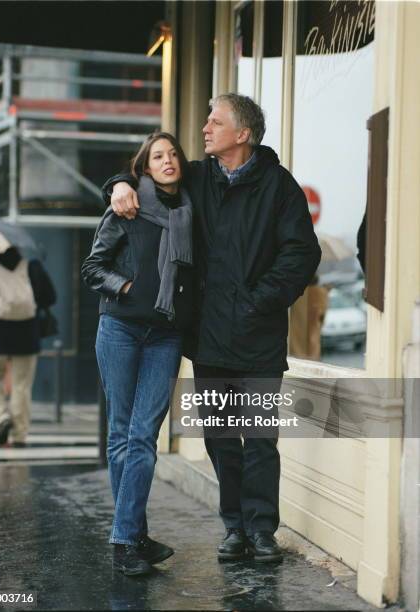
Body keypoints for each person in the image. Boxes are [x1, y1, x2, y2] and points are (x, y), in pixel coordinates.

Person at [103, 94, 321, 564]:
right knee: (222, 440)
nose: (204, 129)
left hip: (259, 337)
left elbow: (302, 254)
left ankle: (263, 531)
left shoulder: (280, 188)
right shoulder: (198, 178)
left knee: (260, 440)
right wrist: (119, 182)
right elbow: (149, 178)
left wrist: (258, 301)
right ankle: (235, 529)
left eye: (215, 121)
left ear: (242, 134)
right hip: (210, 340)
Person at [81, 132, 194, 576]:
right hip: (121, 329)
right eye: (157, 157)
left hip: (165, 336)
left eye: (172, 154)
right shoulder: (125, 208)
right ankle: (132, 537)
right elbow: (93, 268)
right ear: (144, 168)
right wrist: (126, 288)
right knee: (123, 434)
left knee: (143, 436)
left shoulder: (190, 212)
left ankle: (129, 538)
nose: (167, 161)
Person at [0, 247, 56, 447]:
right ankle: (19, 436)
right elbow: (51, 297)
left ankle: (1, 418)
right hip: (27, 336)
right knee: (21, 386)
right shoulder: (32, 266)